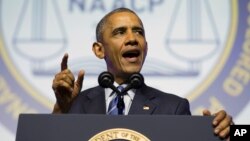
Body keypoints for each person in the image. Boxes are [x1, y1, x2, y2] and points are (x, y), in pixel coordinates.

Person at [52, 8, 232, 139]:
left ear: (146, 47)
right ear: (99, 50)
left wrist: (224, 135)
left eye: (139, 32)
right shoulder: (75, 105)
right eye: (120, 32)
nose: (132, 39)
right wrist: (61, 111)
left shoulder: (174, 108)